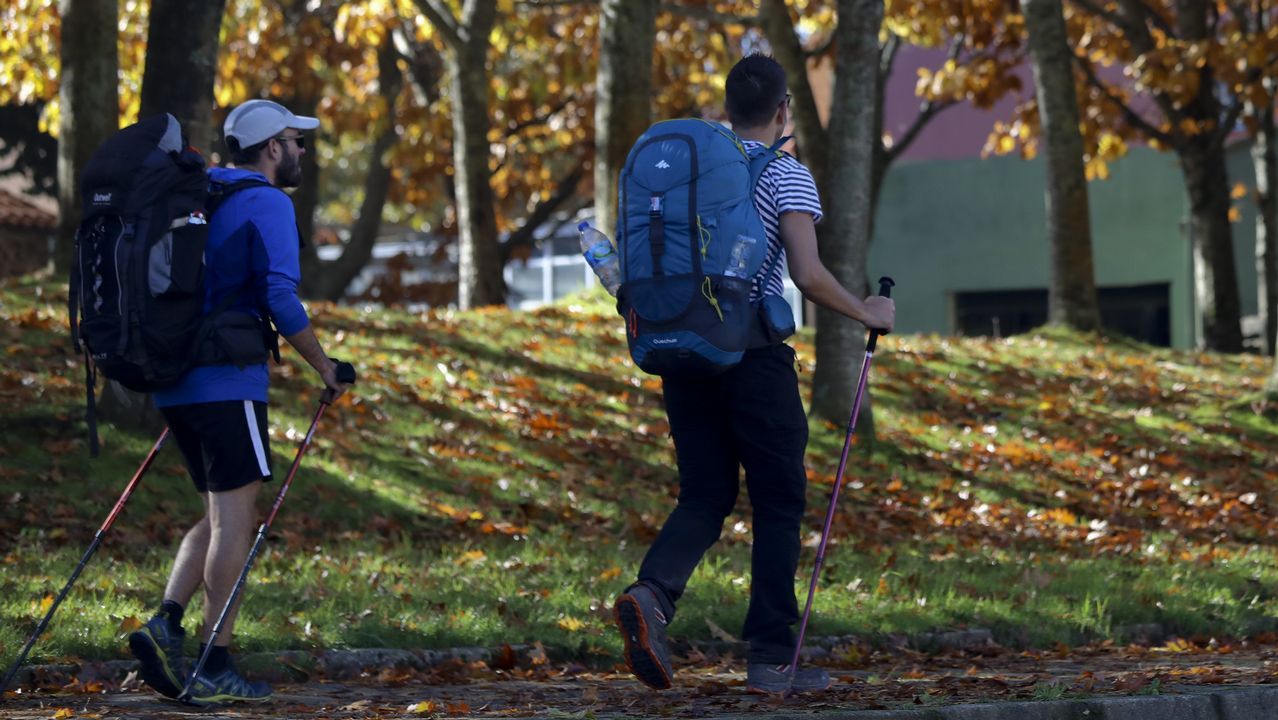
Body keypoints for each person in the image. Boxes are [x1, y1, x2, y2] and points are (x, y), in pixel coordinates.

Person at [612, 54, 896, 695]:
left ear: (727, 107)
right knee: (776, 503)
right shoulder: (785, 174)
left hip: (684, 349)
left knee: (705, 495)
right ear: (784, 109)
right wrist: (865, 310)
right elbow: (807, 274)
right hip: (757, 358)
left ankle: (651, 595)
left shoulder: (695, 171)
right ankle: (772, 659)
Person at [126, 99, 350, 704]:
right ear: (271, 148)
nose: (301, 150)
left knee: (221, 514)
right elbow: (280, 297)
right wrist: (325, 368)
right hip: (228, 381)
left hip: (177, 380)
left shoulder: (206, 194)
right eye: (294, 141)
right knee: (238, 523)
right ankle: (214, 660)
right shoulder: (268, 203)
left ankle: (166, 625)